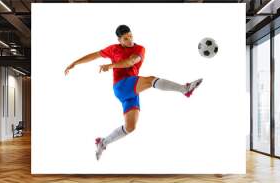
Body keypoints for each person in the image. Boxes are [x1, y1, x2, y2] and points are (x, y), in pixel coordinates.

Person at [64, 24, 203, 160]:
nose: (129, 40)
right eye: (125, 38)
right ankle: (184, 89)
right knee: (150, 80)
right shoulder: (113, 49)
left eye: (130, 36)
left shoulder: (140, 49)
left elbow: (131, 62)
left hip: (132, 90)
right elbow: (94, 55)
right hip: (121, 86)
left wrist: (111, 65)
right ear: (119, 40)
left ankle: (103, 142)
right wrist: (74, 63)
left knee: (130, 127)